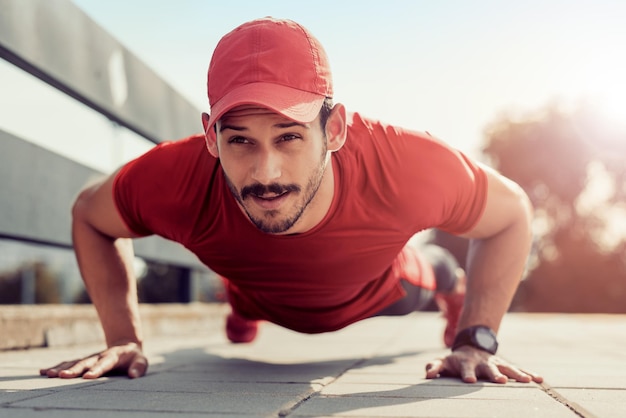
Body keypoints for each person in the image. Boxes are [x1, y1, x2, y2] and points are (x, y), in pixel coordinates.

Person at [41, 17, 542, 385]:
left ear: (337, 129)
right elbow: (90, 214)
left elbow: (511, 214)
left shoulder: (405, 165)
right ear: (211, 138)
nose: (265, 172)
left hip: (374, 289)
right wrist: (123, 336)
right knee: (244, 285)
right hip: (255, 286)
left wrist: (477, 338)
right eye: (240, 141)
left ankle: (448, 293)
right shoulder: (175, 177)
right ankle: (243, 306)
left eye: (288, 137)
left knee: (433, 273)